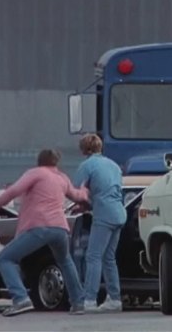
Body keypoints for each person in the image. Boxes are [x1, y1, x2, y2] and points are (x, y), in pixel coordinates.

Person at [0, 149, 88, 317]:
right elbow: (77, 196)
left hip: (40, 226)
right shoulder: (62, 178)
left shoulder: (35, 173)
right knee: (66, 261)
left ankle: (20, 298)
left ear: (39, 161)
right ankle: (78, 302)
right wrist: (86, 191)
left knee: (5, 258)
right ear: (56, 162)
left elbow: (13, 191)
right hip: (60, 228)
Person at [74, 134, 126, 313]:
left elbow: (76, 191)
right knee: (109, 258)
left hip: (103, 213)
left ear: (84, 150)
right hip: (119, 213)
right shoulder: (113, 165)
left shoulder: (87, 165)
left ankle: (89, 299)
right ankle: (114, 298)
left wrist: (82, 206)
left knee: (93, 256)